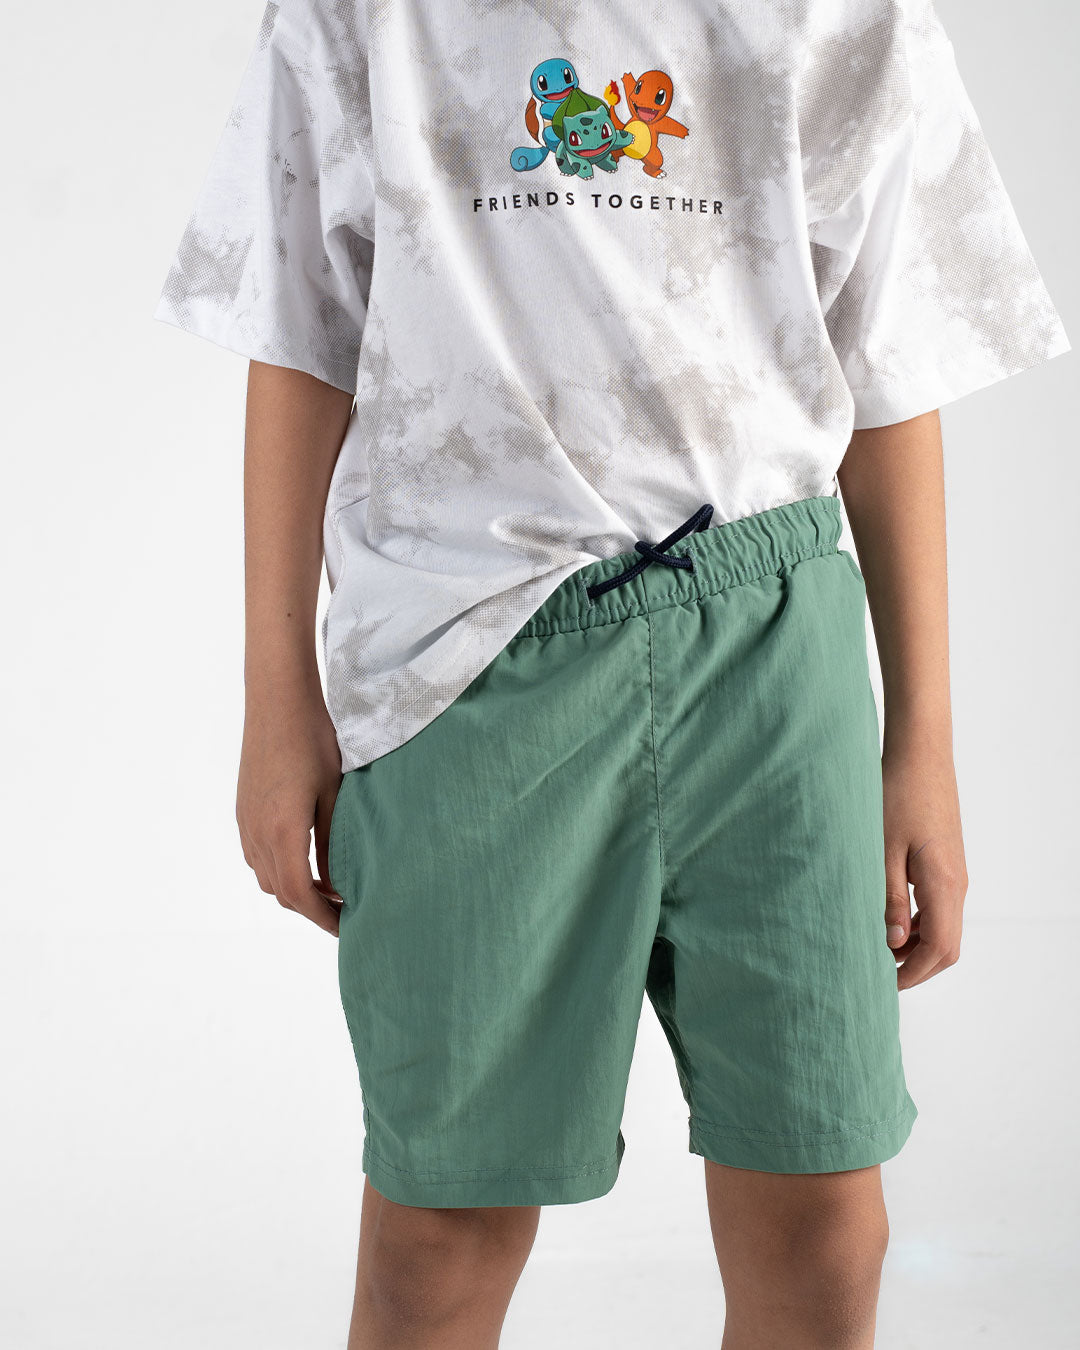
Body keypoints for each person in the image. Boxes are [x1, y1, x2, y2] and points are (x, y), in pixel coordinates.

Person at [152, 1, 1070, 1345]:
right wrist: (275, 695)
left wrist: (922, 740)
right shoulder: (364, 18)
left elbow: (888, 360)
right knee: (438, 1229)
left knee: (824, 1211)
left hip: (772, 645)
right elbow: (298, 338)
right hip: (468, 657)